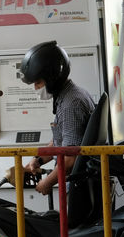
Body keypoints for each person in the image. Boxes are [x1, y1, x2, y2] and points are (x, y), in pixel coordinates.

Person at [19, 41, 95, 196]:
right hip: (81, 181)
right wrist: (38, 160)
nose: (36, 88)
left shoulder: (70, 104)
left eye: (38, 82)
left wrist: (47, 183)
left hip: (80, 185)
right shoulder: (68, 97)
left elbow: (69, 159)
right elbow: (61, 140)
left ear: (52, 77)